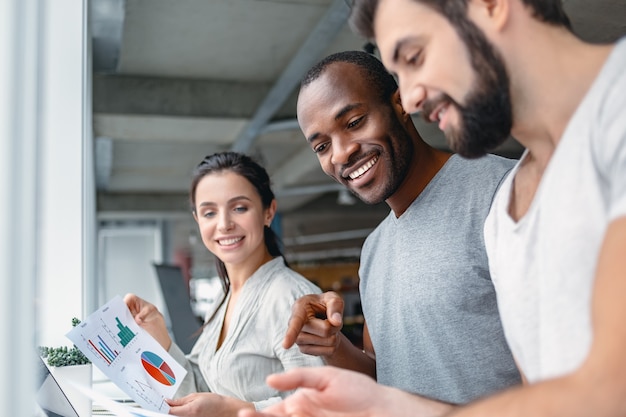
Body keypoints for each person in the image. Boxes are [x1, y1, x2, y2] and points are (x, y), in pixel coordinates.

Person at [240, 0, 626, 416]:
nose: (414, 95)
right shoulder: (514, 199)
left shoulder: (505, 191)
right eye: (320, 145)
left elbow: (600, 390)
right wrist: (338, 352)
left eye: (415, 57)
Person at [282, 49, 520, 414]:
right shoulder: (374, 250)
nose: (341, 153)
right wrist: (333, 345)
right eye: (322, 146)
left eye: (354, 122)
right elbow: (382, 380)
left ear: (400, 104)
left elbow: (564, 374)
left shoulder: (502, 193)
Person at [125, 151, 324, 417]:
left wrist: (238, 410)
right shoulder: (225, 297)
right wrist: (160, 337)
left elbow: (321, 404)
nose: (224, 224)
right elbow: (201, 387)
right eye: (209, 213)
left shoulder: (294, 298)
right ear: (198, 220)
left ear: (269, 212)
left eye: (239, 208)